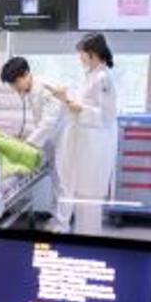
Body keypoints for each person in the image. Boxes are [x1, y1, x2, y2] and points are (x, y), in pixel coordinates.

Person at [46, 32, 118, 235]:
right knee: (81, 194)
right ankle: (83, 237)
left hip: (95, 146)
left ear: (92, 53)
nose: (80, 57)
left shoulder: (103, 78)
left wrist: (75, 105)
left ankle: (90, 240)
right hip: (85, 144)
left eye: (82, 53)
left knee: (89, 196)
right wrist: (66, 98)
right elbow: (83, 103)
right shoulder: (90, 75)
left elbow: (106, 116)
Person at [0, 56, 72, 232]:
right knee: (57, 180)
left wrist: (27, 145)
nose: (15, 88)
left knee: (63, 182)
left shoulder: (47, 88)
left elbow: (48, 122)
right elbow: (42, 124)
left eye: (15, 83)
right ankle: (57, 220)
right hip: (53, 139)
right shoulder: (32, 90)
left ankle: (62, 225)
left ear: (25, 74)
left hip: (64, 138)